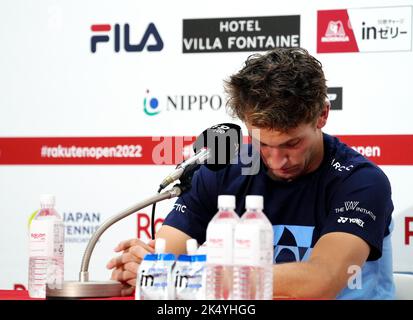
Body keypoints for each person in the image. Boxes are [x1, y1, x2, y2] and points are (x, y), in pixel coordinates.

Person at [106, 48, 395, 299]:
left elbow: (322, 280)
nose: (277, 160)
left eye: (292, 143)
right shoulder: (223, 170)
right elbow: (170, 252)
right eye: (262, 144)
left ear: (322, 115)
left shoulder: (361, 181)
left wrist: (192, 274)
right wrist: (145, 265)